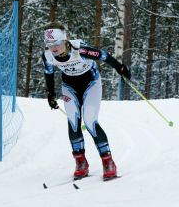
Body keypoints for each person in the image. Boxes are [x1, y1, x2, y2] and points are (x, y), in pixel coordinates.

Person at [42, 22, 131, 180]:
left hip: (91, 84)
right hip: (70, 87)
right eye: (49, 44)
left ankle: (108, 161)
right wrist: (50, 94)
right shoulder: (48, 55)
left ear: (64, 39)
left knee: (90, 121)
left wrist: (120, 68)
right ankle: (81, 162)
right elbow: (48, 73)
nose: (53, 48)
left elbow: (103, 55)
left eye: (56, 43)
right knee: (73, 122)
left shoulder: (80, 50)